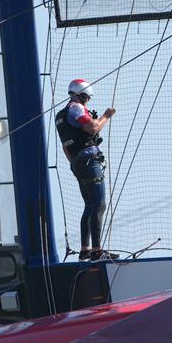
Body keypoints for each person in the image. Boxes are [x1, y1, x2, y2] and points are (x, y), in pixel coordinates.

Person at [55, 78, 116, 261]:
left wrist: (75, 164)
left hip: (76, 161)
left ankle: (85, 250)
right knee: (99, 204)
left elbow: (66, 146)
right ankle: (97, 252)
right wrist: (106, 115)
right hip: (89, 160)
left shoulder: (60, 115)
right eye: (87, 98)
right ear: (82, 95)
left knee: (89, 205)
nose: (87, 102)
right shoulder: (76, 108)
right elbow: (92, 128)